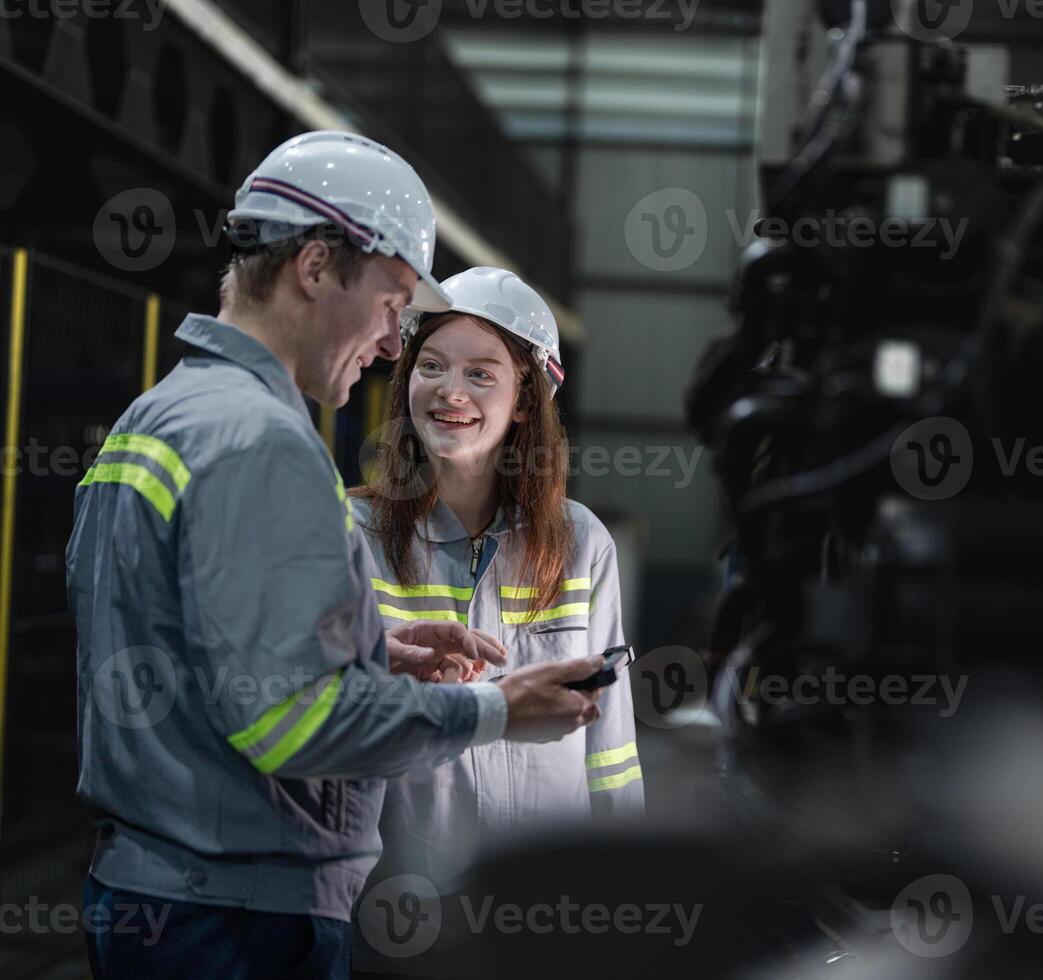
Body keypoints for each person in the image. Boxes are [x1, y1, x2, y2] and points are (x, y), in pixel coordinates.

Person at [66, 131, 606, 979]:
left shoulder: (162, 414)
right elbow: (296, 720)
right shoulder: (261, 443)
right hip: (235, 919)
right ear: (314, 267)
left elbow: (189, 646)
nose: (396, 345)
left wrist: (372, 654)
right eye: (394, 304)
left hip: (166, 892)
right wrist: (498, 711)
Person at [348, 267, 643, 919]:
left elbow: (612, 750)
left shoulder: (580, 544)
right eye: (432, 366)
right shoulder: (350, 534)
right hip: (400, 908)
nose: (451, 393)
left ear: (525, 402)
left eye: (482, 373)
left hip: (545, 907)